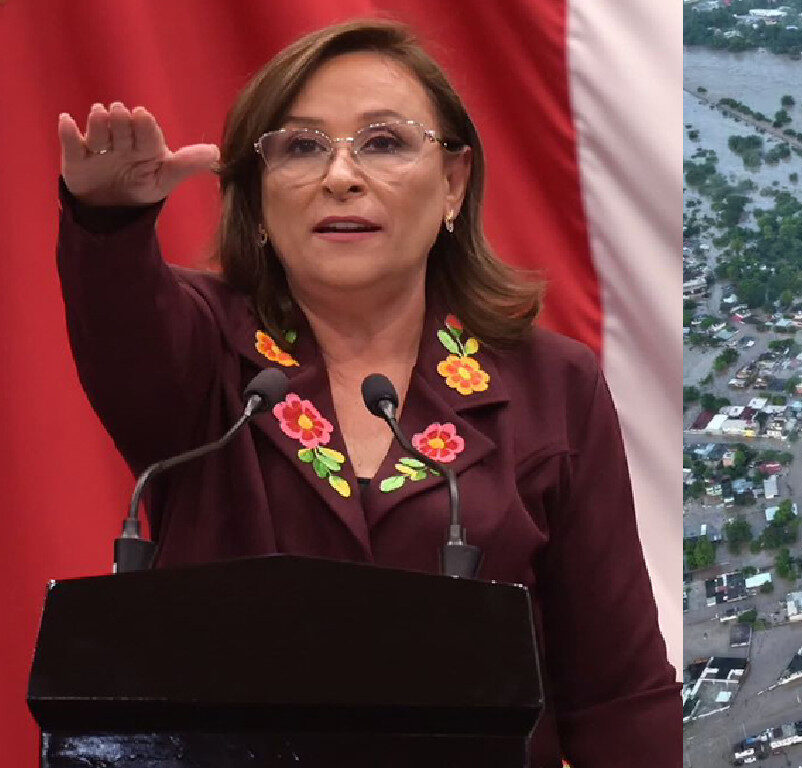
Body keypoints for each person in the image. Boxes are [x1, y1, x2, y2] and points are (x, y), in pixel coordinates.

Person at [54, 19, 679, 767]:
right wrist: (109, 222)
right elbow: (125, 328)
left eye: (384, 142)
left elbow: (619, 688)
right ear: (257, 200)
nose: (341, 175)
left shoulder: (553, 382)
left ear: (452, 184)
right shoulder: (202, 351)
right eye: (302, 146)